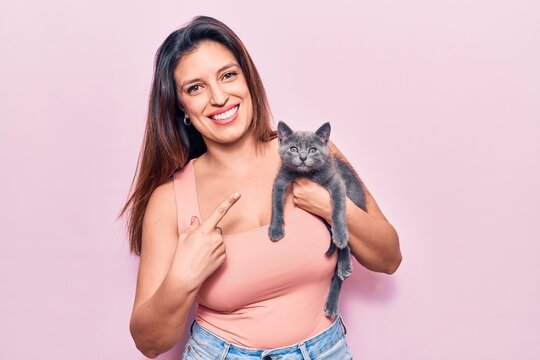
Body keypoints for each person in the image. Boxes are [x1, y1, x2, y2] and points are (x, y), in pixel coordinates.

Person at [120, 15, 402, 360]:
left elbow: (389, 258)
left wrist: (331, 206)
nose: (219, 97)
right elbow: (149, 344)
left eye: (228, 75)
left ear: (248, 79)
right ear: (182, 107)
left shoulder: (314, 156)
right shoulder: (170, 201)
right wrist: (181, 278)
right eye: (196, 87)